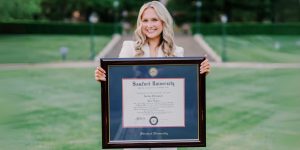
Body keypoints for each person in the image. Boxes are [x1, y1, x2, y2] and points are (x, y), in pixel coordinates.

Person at [94, 1, 210, 149]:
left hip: (165, 122)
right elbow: (117, 84)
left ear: (163, 21)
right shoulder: (129, 49)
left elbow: (182, 93)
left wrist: (199, 75)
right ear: (140, 23)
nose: (150, 25)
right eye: (145, 20)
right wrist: (103, 78)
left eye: (154, 19)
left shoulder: (177, 52)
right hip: (135, 121)